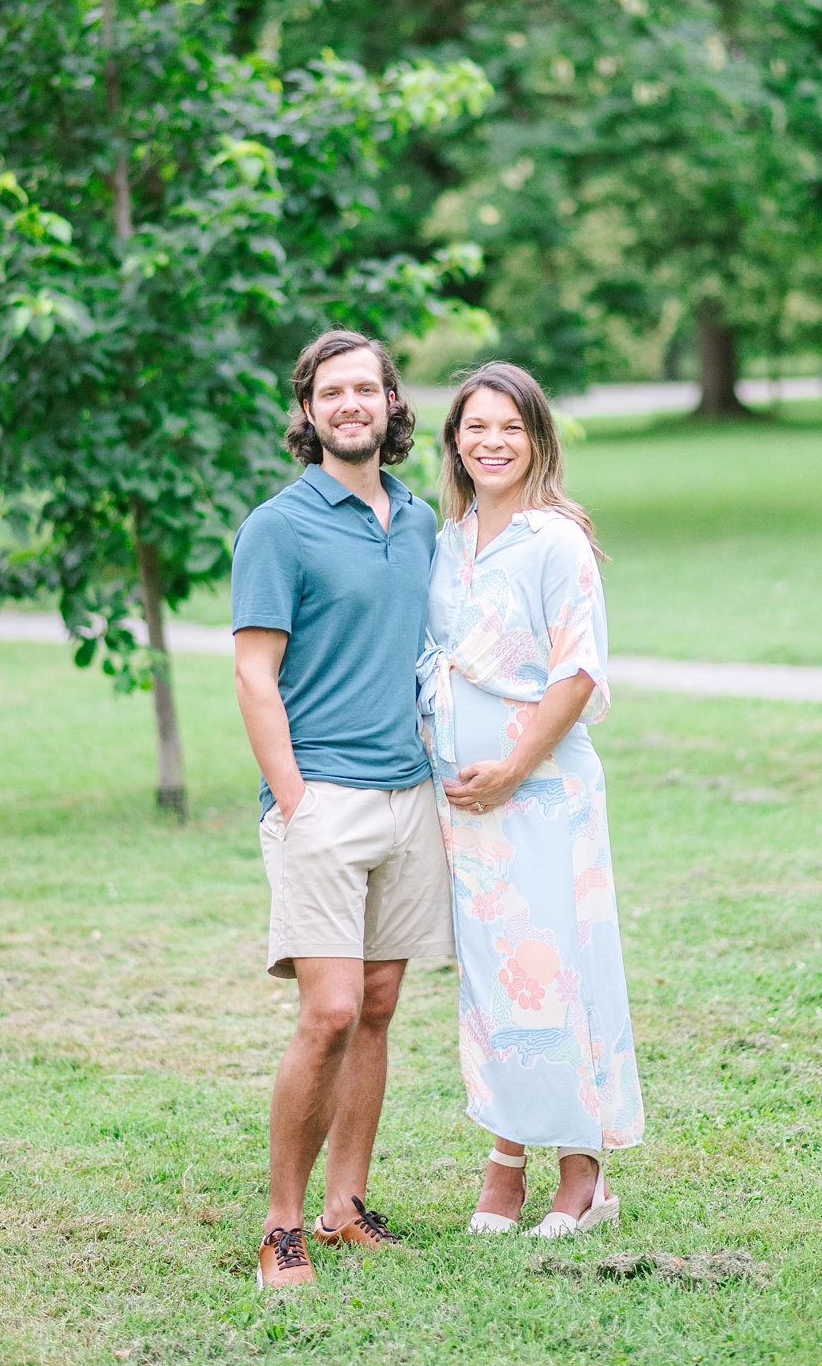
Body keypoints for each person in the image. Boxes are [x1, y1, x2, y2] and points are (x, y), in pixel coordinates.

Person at [231, 330, 451, 1291]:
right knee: (326, 1012)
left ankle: (344, 1208)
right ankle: (282, 1224)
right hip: (324, 799)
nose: (351, 403)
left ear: (392, 403)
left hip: (411, 799)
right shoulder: (278, 526)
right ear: (310, 410)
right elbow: (253, 672)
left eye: (368, 388)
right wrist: (293, 798)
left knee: (378, 1006)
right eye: (333, 391)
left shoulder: (420, 519)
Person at [419, 361, 644, 1236]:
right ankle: (506, 1154)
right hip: (465, 809)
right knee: (492, 981)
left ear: (538, 440)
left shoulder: (555, 541)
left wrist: (511, 768)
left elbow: (579, 671)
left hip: (543, 795)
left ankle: (582, 1169)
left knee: (561, 968)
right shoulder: (447, 542)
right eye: (476, 426)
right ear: (454, 441)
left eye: (510, 428)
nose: (491, 442)